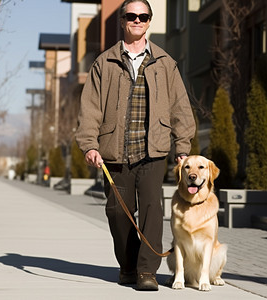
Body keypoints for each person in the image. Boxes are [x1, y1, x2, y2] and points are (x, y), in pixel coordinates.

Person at [75, 0, 195, 291]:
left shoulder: (165, 63)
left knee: (153, 210)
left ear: (149, 21)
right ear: (123, 20)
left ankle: (146, 272)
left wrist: (182, 146)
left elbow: (181, 106)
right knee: (117, 212)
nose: (137, 20)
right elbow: (90, 108)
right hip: (114, 153)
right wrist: (89, 144)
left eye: (143, 16)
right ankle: (127, 266)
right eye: (132, 16)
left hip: (153, 152)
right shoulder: (104, 62)